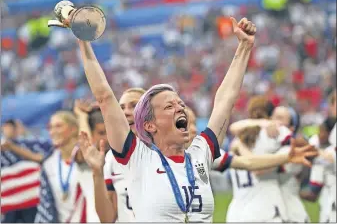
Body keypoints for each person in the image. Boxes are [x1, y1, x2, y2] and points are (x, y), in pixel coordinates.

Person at [74, 15, 317, 222]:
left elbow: (225, 101)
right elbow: (105, 96)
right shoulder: (137, 156)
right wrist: (83, 39)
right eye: (169, 106)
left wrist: (244, 48)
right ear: (150, 124)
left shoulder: (200, 153)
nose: (180, 106)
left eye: (180, 102)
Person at [2, 111, 87, 222]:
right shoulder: (49, 162)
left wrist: (82, 116)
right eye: (50, 127)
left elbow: (86, 146)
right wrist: (11, 147)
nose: (52, 132)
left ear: (73, 129)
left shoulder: (84, 157)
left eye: (58, 126)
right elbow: (37, 157)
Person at [76, 88, 145, 222]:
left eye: (134, 105)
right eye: (121, 108)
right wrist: (97, 172)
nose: (125, 112)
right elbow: (108, 219)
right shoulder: (111, 159)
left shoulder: (167, 153)